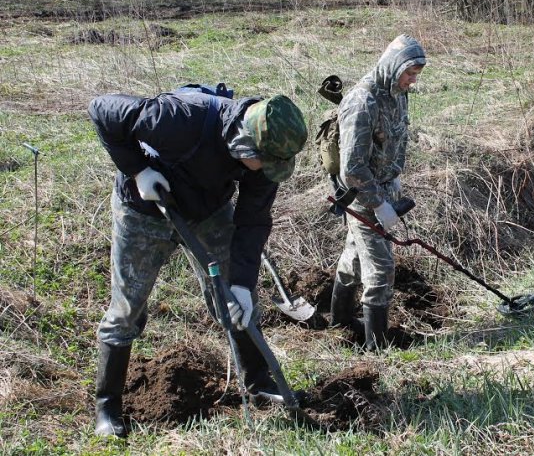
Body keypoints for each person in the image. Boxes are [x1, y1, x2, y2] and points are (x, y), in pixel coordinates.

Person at [88, 86, 308, 437]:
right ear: (244, 144)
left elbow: (252, 223)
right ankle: (107, 404)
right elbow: (102, 109)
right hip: (143, 210)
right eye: (264, 161)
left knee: (236, 300)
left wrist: (242, 282)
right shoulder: (177, 118)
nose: (267, 170)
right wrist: (138, 169)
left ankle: (258, 381)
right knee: (128, 305)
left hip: (208, 211)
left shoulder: (264, 164)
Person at [329, 34, 426, 351]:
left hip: (384, 188)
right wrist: (379, 204)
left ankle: (340, 321)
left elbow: (394, 141)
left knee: (354, 260)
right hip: (363, 195)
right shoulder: (362, 102)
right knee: (381, 271)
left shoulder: (397, 93)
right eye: (409, 73)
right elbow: (353, 168)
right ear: (393, 65)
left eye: (416, 75)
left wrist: (393, 183)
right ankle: (377, 349)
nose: (412, 82)